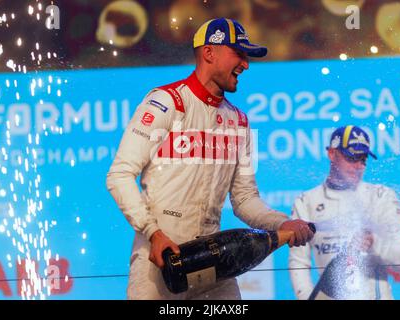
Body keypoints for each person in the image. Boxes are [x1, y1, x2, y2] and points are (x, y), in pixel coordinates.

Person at [106, 17, 314, 300]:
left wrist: (281, 223)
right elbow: (119, 175)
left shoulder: (239, 122)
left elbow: (244, 200)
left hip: (215, 262)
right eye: (238, 54)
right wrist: (153, 233)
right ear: (209, 52)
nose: (246, 64)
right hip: (158, 258)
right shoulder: (167, 102)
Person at [289, 125, 400, 300]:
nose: (358, 166)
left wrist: (374, 242)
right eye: (352, 157)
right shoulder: (306, 201)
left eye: (363, 160)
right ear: (332, 154)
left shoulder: (381, 196)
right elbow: (299, 263)